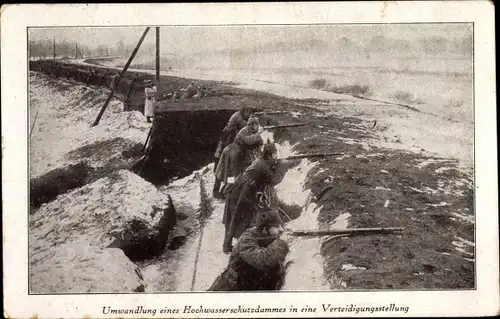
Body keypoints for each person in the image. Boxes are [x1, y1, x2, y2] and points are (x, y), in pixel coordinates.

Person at [221, 142, 285, 253]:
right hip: (243, 192)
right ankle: (237, 248)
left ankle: (229, 246)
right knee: (238, 219)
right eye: (274, 154)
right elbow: (273, 180)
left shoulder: (261, 161)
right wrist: (283, 167)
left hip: (239, 188)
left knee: (234, 218)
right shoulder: (263, 164)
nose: (276, 156)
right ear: (269, 155)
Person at [207, 207, 289, 291]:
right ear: (265, 229)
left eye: (281, 225)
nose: (281, 229)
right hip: (230, 287)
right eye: (276, 226)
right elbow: (262, 259)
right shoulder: (247, 239)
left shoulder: (267, 237)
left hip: (247, 284)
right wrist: (282, 243)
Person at [214, 116, 264, 200]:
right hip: (232, 152)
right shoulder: (243, 131)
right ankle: (224, 192)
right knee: (229, 173)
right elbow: (249, 141)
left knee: (233, 174)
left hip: (240, 154)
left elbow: (259, 142)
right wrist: (258, 133)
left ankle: (227, 190)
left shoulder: (253, 132)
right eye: (255, 125)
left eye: (257, 125)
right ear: (251, 124)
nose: (256, 127)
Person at [213, 103, 252, 195]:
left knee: (221, 170)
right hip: (227, 148)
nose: (249, 115)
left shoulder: (236, 115)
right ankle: (224, 191)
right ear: (245, 111)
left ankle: (221, 190)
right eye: (248, 113)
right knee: (230, 171)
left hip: (224, 147)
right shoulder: (240, 119)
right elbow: (246, 130)